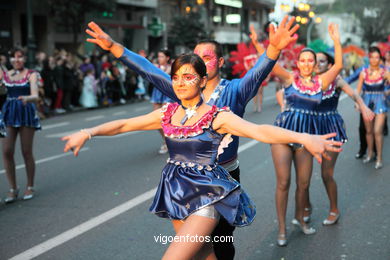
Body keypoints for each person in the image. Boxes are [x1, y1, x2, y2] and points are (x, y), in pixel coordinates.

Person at [62, 53, 342, 259]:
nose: (181, 82)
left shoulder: (216, 116)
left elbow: (261, 131)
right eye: (175, 77)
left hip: (207, 196)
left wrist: (303, 137)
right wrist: (88, 132)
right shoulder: (167, 113)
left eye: (188, 76)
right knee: (204, 256)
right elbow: (124, 125)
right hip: (175, 192)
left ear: (202, 80)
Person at [85, 15, 299, 259]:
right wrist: (114, 46)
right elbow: (147, 69)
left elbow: (258, 77)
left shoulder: (236, 90)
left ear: (220, 62)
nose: (198, 61)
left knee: (221, 244)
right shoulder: (183, 89)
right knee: (198, 249)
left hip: (223, 178)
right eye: (196, 56)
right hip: (184, 181)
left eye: (206, 57)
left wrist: (273, 48)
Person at [252, 23, 343, 246]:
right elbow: (269, 62)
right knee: (283, 183)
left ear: (314, 64)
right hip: (283, 135)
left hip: (306, 139)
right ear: (297, 63)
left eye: (310, 61)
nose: (306, 64)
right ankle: (282, 229)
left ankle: (300, 218)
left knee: (303, 184)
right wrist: (259, 43)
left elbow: (339, 64)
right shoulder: (290, 78)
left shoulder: (322, 82)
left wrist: (336, 40)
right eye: (302, 60)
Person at [308, 51, 374, 225]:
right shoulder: (307, 81)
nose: (317, 64)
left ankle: (334, 209)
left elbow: (354, 94)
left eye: (321, 61)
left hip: (331, 128)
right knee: (303, 176)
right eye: (315, 61)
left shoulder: (336, 80)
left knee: (326, 174)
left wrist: (363, 106)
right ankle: (305, 208)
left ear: (329, 65)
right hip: (309, 130)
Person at [0, 47, 41, 203]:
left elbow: (35, 95)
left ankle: (30, 185)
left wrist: (27, 98)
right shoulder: (6, 75)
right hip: (9, 112)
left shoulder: (31, 74)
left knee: (26, 151)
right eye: (13, 57)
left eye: (19, 57)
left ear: (24, 58)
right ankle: (13, 188)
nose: (16, 60)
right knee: (7, 150)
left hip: (25, 112)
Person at [356, 46, 390, 169]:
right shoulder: (363, 72)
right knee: (369, 131)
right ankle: (369, 154)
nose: (374, 60)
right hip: (367, 103)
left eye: (377, 57)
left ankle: (379, 158)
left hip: (381, 102)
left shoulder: (385, 71)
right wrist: (357, 103)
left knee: (377, 131)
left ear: (380, 58)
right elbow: (358, 90)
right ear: (368, 58)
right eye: (372, 57)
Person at [151, 50, 174, 154]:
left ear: (167, 58)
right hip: (157, 93)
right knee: (156, 120)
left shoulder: (171, 67)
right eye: (159, 56)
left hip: (167, 93)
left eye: (162, 56)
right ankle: (165, 140)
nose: (159, 58)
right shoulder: (156, 67)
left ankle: (169, 141)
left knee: (165, 119)